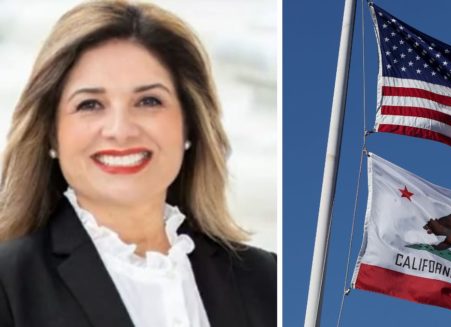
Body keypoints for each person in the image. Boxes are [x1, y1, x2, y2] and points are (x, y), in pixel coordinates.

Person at [0, 1, 276, 326]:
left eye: (148, 101)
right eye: (90, 104)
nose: (120, 130)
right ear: (51, 133)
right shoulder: (10, 283)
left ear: (189, 124)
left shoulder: (265, 280)